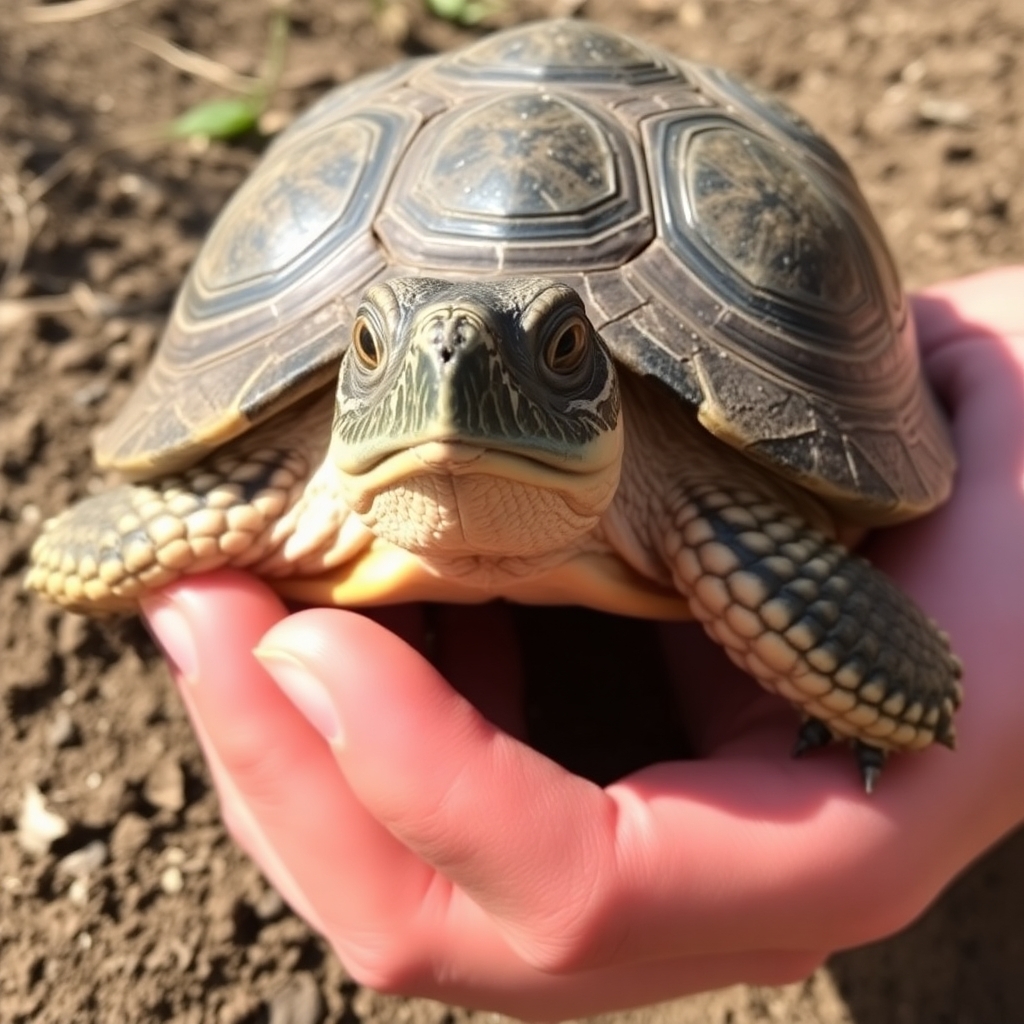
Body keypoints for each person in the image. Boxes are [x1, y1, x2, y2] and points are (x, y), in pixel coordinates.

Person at [142, 267, 1024, 1021]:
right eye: (373, 352)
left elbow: (899, 670)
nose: (451, 368)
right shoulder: (304, 469)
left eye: (564, 353)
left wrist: (904, 692)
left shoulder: (677, 470)